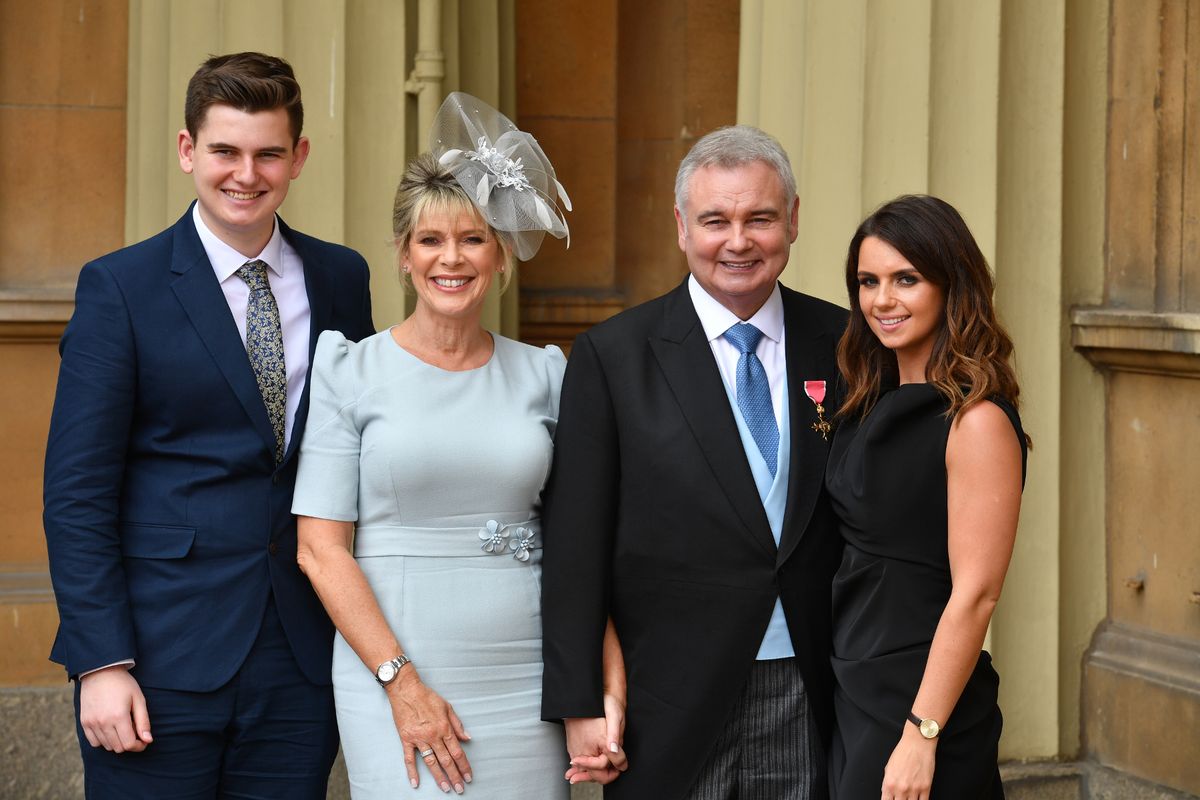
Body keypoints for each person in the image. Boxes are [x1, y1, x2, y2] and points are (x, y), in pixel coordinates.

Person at [42, 52, 374, 798]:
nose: (245, 174)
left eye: (268, 154)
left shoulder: (341, 278)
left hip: (299, 658)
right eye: (224, 150)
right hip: (157, 658)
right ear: (189, 150)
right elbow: (76, 493)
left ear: (299, 158)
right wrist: (101, 663)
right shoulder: (119, 286)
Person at [291, 92, 622, 799]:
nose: (452, 258)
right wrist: (402, 684)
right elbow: (319, 549)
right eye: (431, 240)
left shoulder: (547, 373)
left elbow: (584, 545)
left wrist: (601, 689)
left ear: (499, 254)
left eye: (472, 238)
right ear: (404, 255)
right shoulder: (349, 371)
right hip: (396, 676)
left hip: (530, 679)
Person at [541, 125, 849, 799]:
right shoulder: (612, 356)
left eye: (760, 218)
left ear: (792, 221)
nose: (737, 242)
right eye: (716, 220)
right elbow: (575, 543)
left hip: (812, 687)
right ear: (682, 227)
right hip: (669, 701)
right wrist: (581, 699)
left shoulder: (848, 345)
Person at [824, 194, 1028, 800]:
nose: (882, 300)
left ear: (950, 285)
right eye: (868, 282)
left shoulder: (977, 419)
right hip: (854, 683)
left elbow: (977, 592)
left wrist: (922, 732)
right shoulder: (867, 400)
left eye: (905, 279)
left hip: (921, 697)